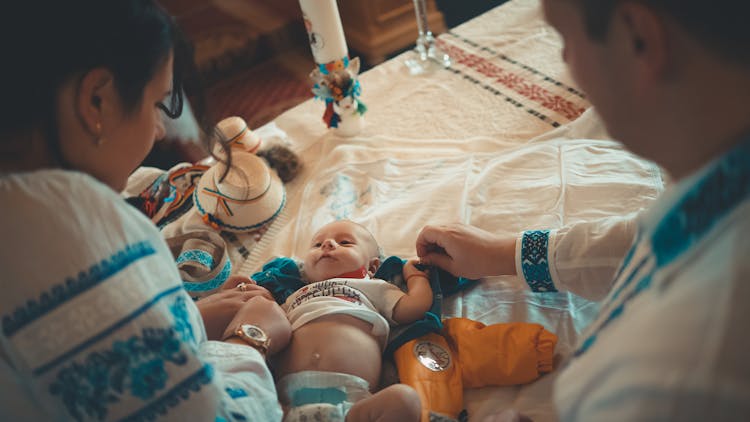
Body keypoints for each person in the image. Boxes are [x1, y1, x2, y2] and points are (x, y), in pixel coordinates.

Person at [417, 0, 750, 420]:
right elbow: (640, 241)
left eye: (566, 39)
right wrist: (506, 254)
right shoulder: (719, 176)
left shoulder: (677, 373)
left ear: (639, 38)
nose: (566, 62)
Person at [0, 1, 291, 420]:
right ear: (96, 100)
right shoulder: (64, 231)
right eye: (158, 104)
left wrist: (184, 320)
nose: (159, 131)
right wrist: (249, 343)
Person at [272, 220, 431, 421]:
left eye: (345, 242)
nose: (327, 244)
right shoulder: (294, 296)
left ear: (372, 267)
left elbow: (414, 307)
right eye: (317, 245)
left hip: (352, 407)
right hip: (282, 405)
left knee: (405, 399)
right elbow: (268, 327)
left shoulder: (374, 287)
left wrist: (416, 278)